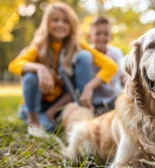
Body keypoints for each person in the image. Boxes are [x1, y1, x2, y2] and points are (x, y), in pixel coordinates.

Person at [8, 2, 118, 133]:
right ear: (47, 23)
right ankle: (33, 119)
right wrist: (39, 68)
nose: (60, 24)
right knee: (30, 76)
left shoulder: (77, 45)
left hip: (58, 104)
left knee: (85, 56)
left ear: (71, 25)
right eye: (55, 20)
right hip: (37, 103)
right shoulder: (39, 46)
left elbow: (110, 66)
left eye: (65, 21)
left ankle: (82, 108)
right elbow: (14, 65)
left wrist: (89, 87)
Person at [88, 16, 125, 114]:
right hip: (94, 102)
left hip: (114, 98)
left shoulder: (116, 53)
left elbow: (122, 77)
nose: (102, 37)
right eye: (98, 34)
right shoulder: (86, 55)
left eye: (106, 34)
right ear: (90, 36)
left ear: (110, 36)